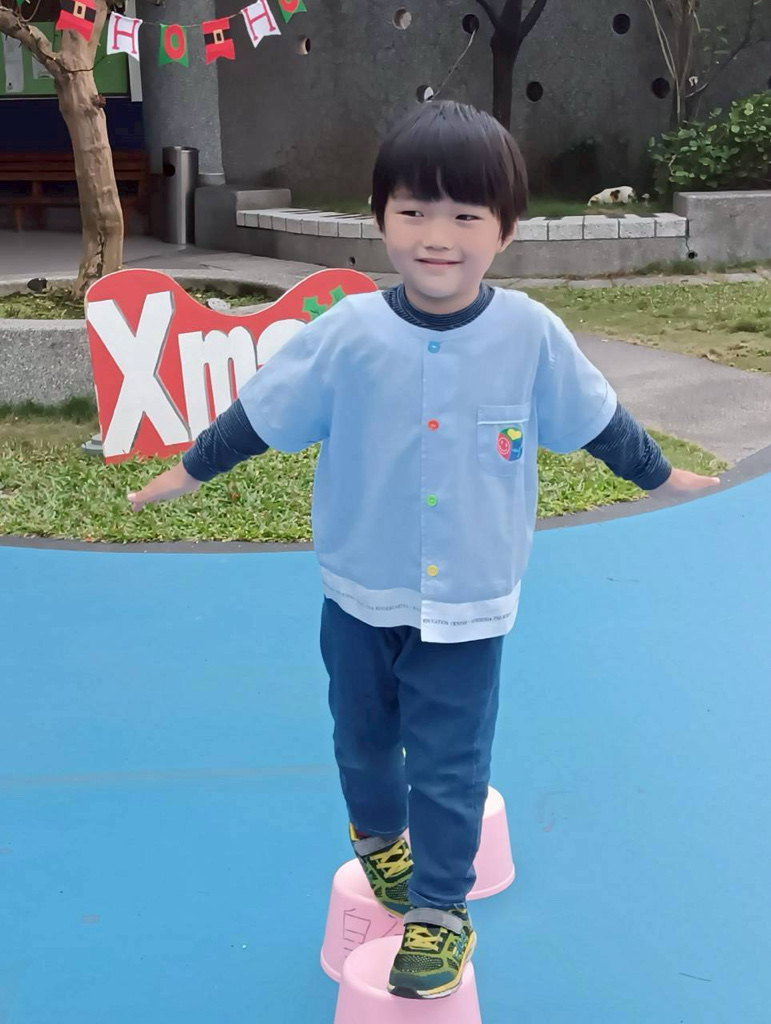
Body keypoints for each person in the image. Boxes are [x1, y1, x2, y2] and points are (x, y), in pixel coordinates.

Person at [127, 101, 720, 1000]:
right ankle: (377, 841)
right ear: (379, 219)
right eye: (411, 211)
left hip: (469, 604)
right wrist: (188, 472)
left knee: (449, 763)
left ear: (506, 230)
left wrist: (662, 477)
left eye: (465, 215)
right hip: (358, 595)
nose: (436, 236)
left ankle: (441, 908)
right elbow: (263, 413)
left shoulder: (529, 334)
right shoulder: (348, 332)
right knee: (362, 743)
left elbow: (599, 421)